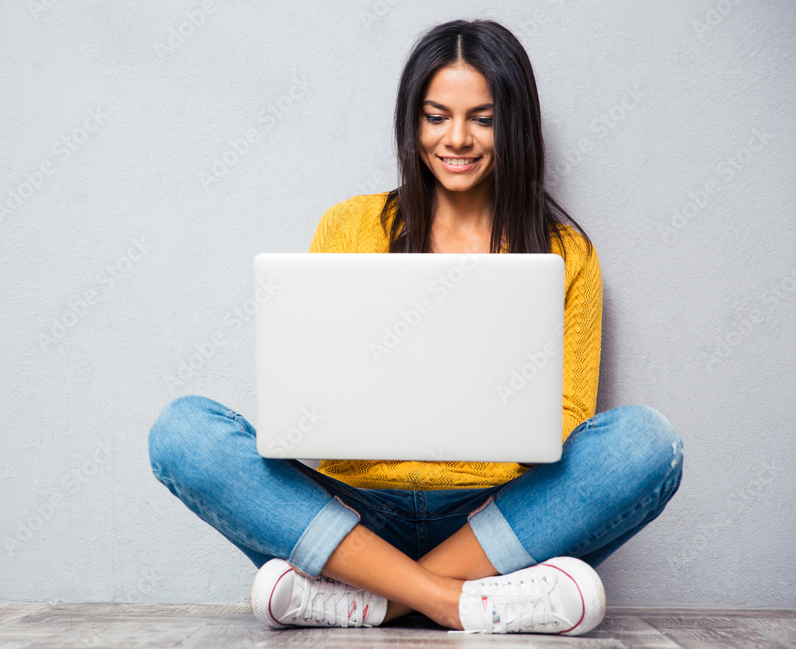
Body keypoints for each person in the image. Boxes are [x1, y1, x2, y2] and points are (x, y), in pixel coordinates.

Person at [149, 18, 683, 636]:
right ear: (412, 121)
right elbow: (309, 399)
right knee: (183, 433)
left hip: (494, 520)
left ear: (515, 125)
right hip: (354, 515)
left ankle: (373, 600)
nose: (458, 138)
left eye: (483, 118)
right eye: (437, 116)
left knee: (647, 443)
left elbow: (565, 420)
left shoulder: (567, 253)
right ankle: (459, 603)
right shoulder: (350, 228)